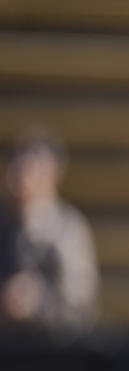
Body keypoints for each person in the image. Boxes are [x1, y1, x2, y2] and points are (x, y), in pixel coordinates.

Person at [0, 127, 99, 335]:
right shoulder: (5, 226)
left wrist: (38, 303)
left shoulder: (67, 229)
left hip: (54, 354)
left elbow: (81, 301)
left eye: (29, 167)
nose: (19, 176)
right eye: (16, 166)